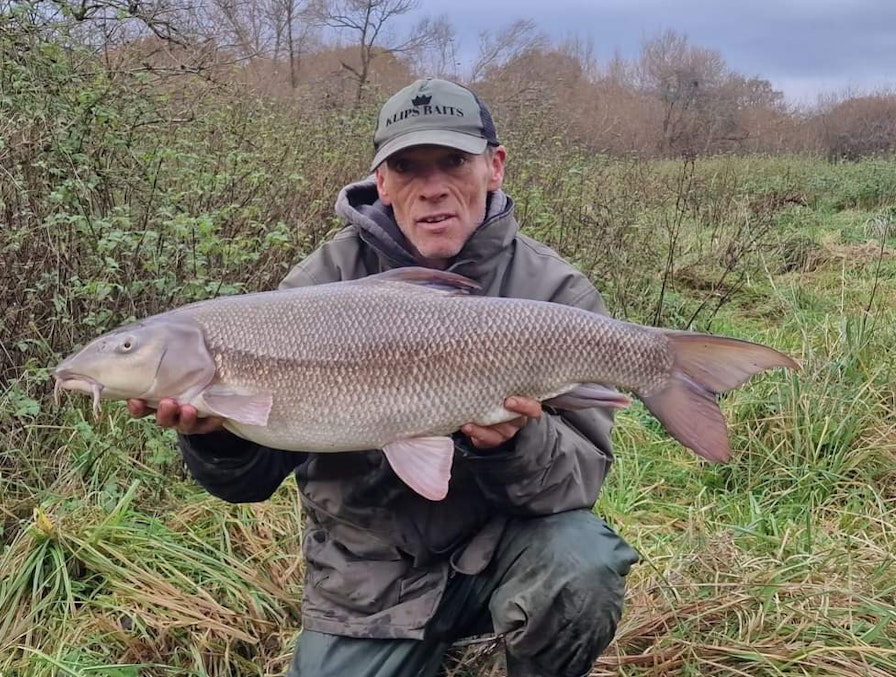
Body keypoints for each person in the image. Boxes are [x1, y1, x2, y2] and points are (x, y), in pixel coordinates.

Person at [128, 77, 639, 677]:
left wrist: (514, 443)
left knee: (583, 564)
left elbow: (578, 482)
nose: (433, 189)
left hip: (510, 550)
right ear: (382, 181)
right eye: (407, 168)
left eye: (453, 162)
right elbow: (248, 483)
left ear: (495, 167)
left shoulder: (554, 295)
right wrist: (214, 435)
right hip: (370, 575)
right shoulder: (317, 287)